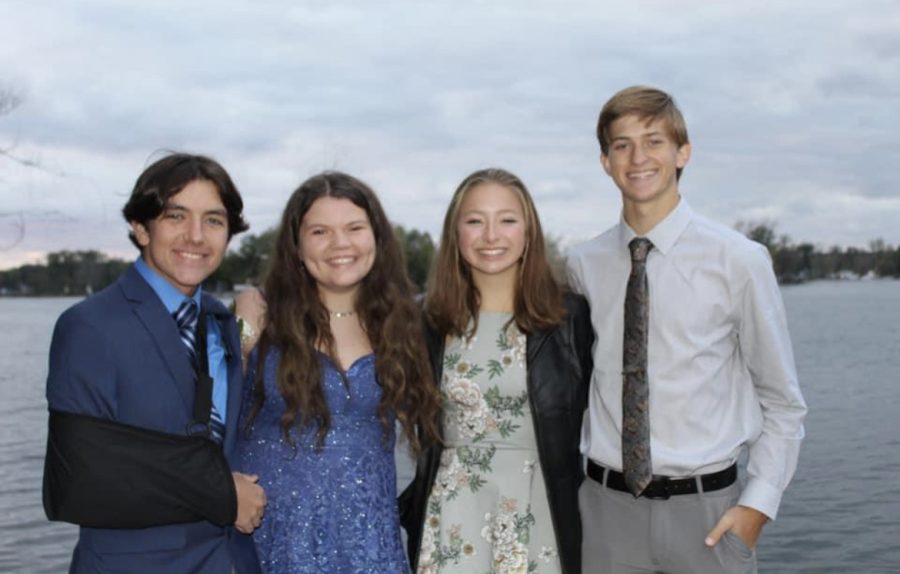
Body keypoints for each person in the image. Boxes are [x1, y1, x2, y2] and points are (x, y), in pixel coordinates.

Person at [567, 85, 808, 573]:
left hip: (709, 515)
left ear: (683, 153)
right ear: (605, 161)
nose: (639, 157)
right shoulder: (582, 264)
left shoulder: (739, 260)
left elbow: (782, 401)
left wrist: (758, 505)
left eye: (655, 141)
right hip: (607, 513)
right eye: (622, 144)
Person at [43, 152, 266, 573]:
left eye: (213, 221)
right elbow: (80, 474)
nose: (196, 236)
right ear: (141, 228)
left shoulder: (222, 324)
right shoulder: (89, 326)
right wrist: (220, 494)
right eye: (175, 217)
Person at [233, 171, 442, 573]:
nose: (340, 244)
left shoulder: (405, 323)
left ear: (377, 238)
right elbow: (213, 414)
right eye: (320, 232)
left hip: (369, 543)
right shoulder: (254, 314)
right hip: (275, 540)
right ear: (296, 244)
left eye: (354, 228)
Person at [400, 168, 595, 574]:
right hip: (453, 511)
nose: (491, 236)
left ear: (529, 233)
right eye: (475, 221)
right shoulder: (428, 322)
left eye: (507, 220)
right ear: (455, 234)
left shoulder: (570, 319)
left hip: (541, 510)